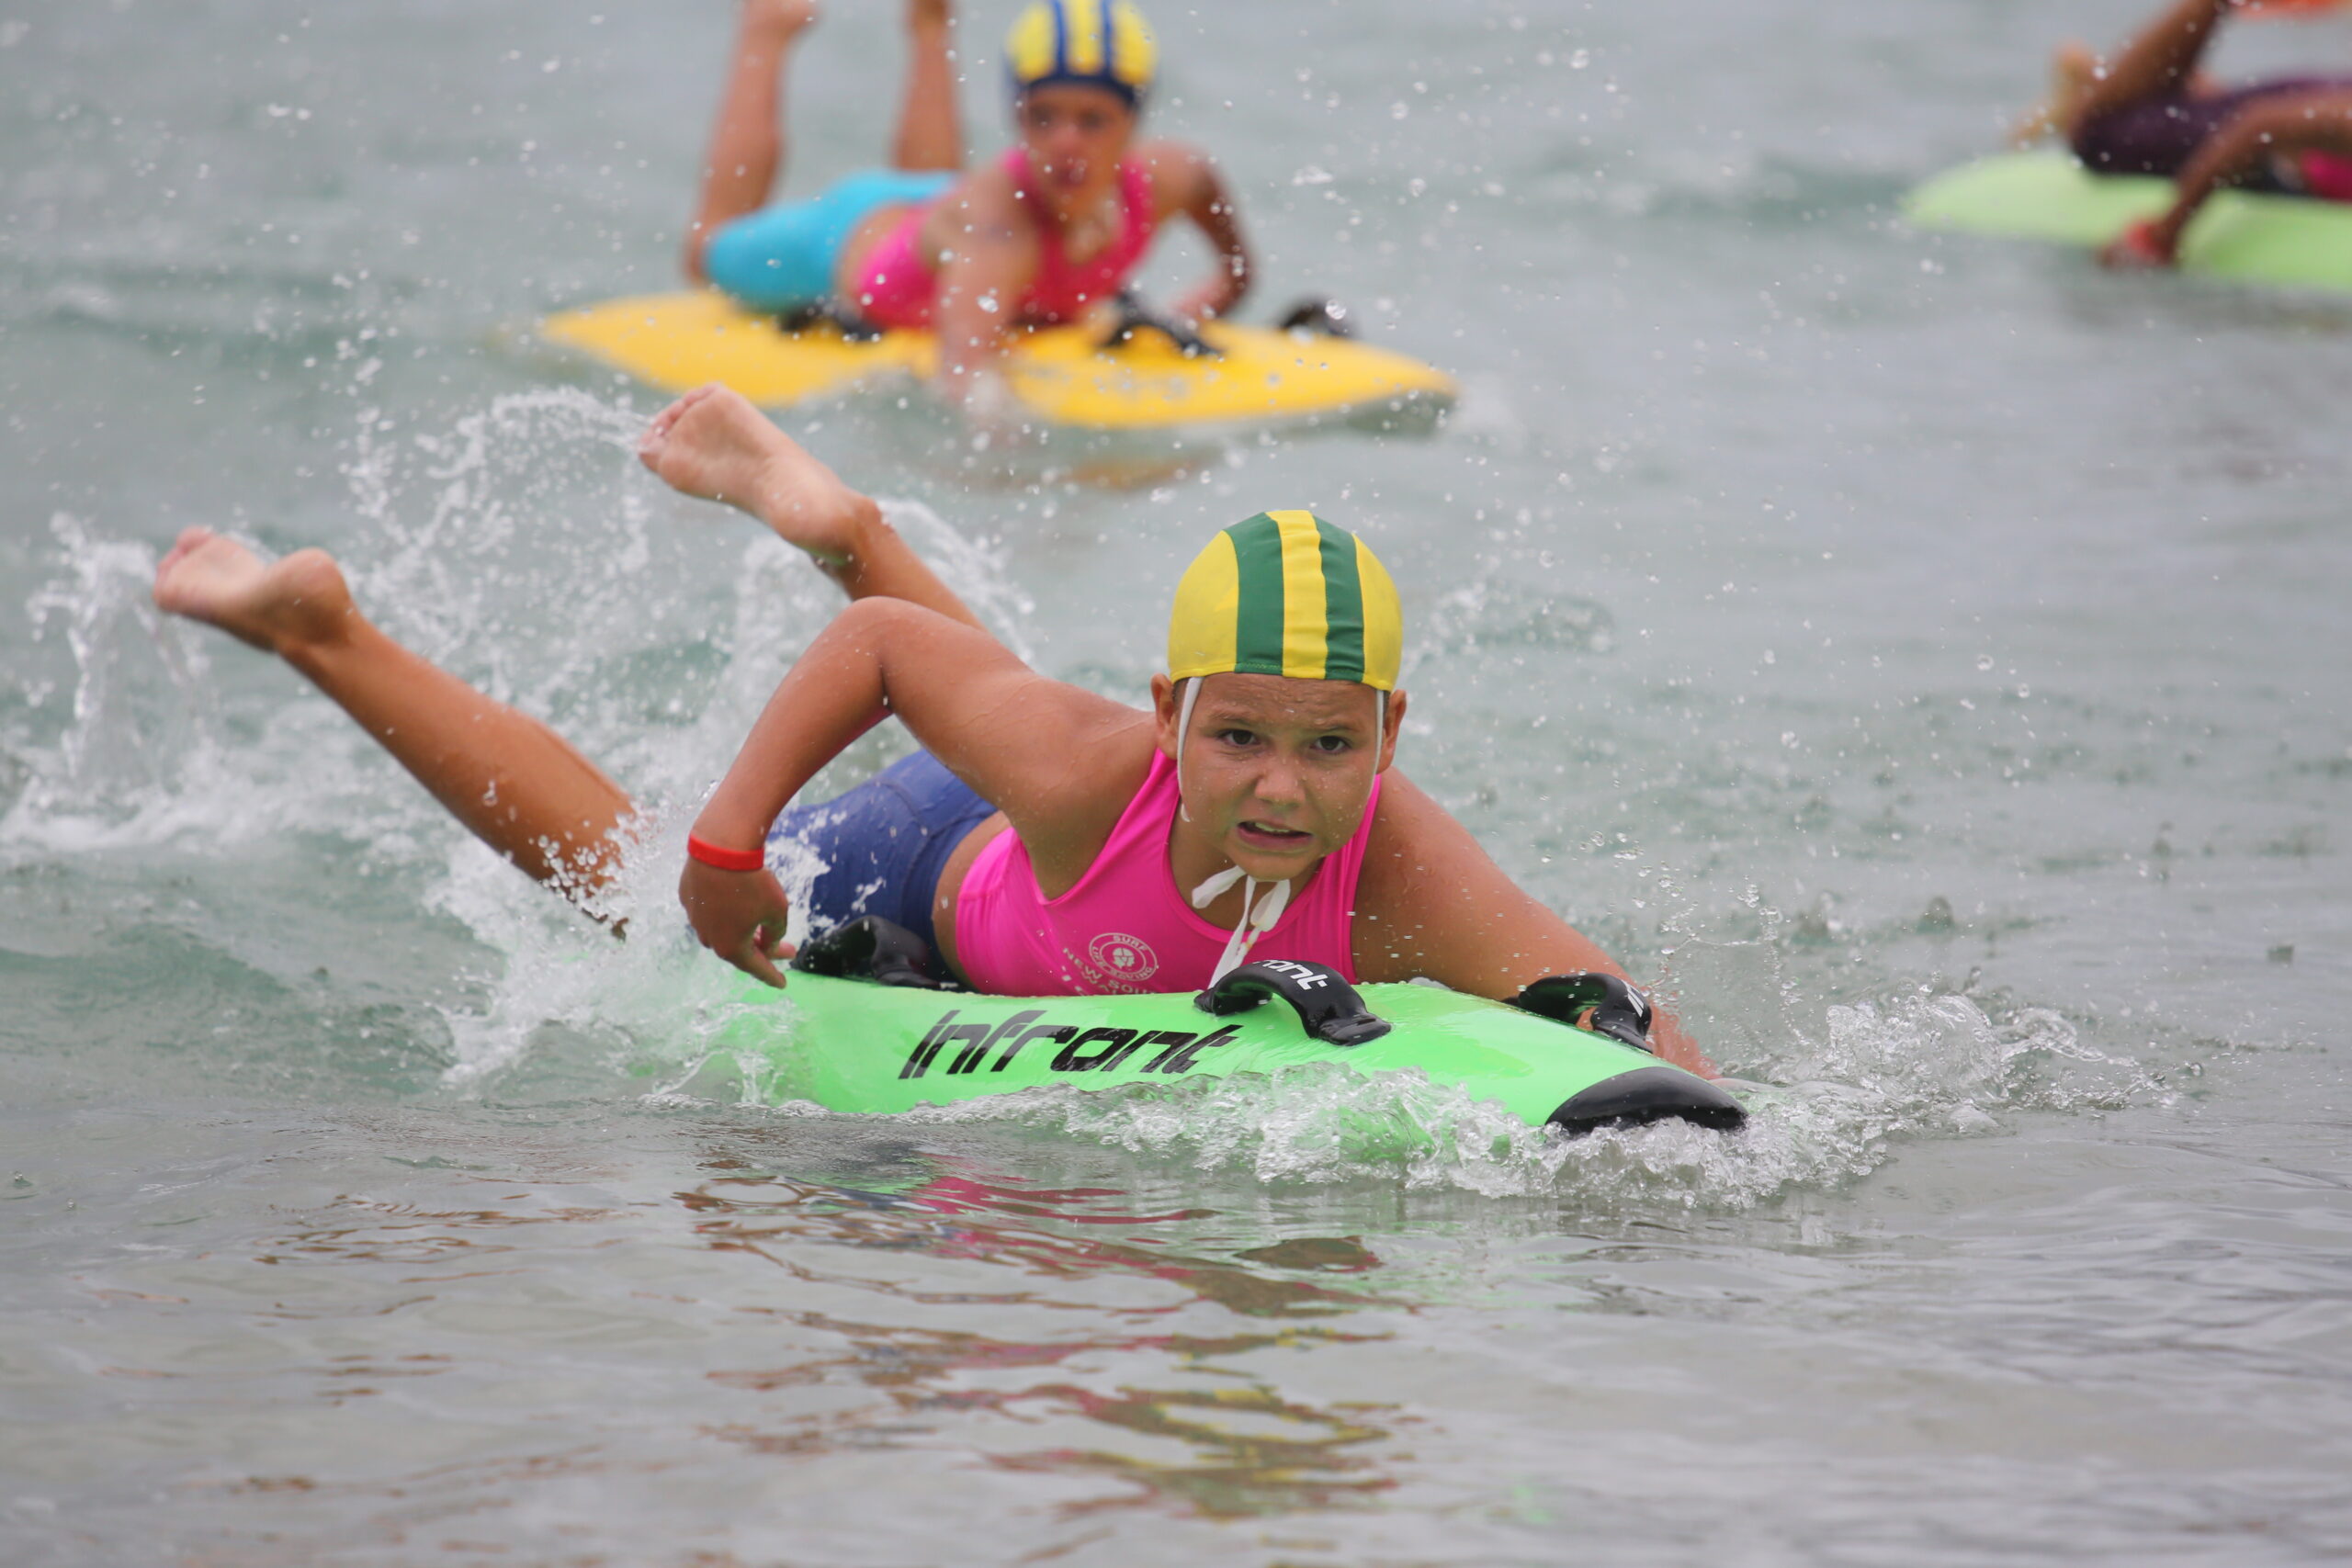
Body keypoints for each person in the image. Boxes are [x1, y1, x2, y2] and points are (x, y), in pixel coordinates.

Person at [150, 384, 1710, 1075]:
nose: (1286, 789)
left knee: (1025, 726)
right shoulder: (1106, 768)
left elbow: (1604, 1006)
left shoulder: (1404, 854)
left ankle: (831, 508)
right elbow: (887, 647)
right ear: (1172, 717)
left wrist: (1709, 1127)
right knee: (610, 875)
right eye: (1239, 738)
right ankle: (318, 629)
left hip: (1042, 837)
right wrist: (718, 853)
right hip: (919, 868)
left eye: (1330, 745)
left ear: (1390, 733)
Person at [683, 0, 1251, 406]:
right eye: (1042, 118)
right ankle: (764, 29)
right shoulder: (998, 233)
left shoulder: (1175, 177)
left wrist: (1209, 302)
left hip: (940, 204)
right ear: (1016, 117)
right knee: (704, 252)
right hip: (853, 233)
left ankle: (930, 21)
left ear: (1134, 123)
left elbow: (1238, 271)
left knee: (939, 179)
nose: (1065, 145)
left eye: (1093, 121)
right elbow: (965, 382)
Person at [2032, 0, 2352, 267]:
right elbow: (2260, 126)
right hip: (2259, 133)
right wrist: (2161, 235)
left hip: (2286, 112)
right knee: (2098, 136)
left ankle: (2090, 80)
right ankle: (2087, 88)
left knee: (2186, 108)